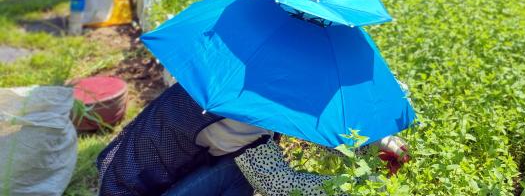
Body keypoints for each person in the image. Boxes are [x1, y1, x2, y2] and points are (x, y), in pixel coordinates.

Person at [95, 82, 410, 196]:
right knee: (243, 169)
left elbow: (315, 117)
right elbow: (279, 185)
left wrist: (374, 143)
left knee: (244, 164)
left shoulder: (261, 81)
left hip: (132, 165)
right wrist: (353, 189)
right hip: (133, 189)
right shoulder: (242, 121)